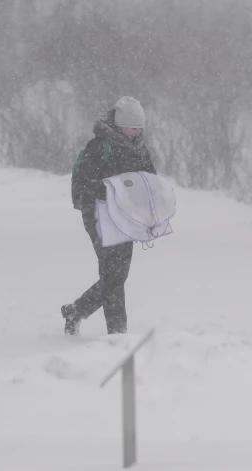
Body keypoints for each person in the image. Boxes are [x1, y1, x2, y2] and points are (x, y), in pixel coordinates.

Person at [62, 96, 157, 336]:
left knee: (118, 275)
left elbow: (150, 181)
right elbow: (85, 185)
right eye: (131, 128)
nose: (135, 133)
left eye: (139, 129)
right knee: (113, 274)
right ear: (118, 125)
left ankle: (77, 311)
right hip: (97, 215)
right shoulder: (98, 147)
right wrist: (115, 189)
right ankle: (117, 333)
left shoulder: (140, 150)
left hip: (126, 219)